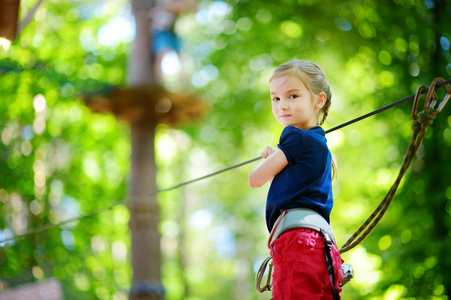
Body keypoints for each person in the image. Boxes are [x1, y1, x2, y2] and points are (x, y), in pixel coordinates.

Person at [249, 60, 344, 299]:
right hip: (323, 248)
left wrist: (270, 160)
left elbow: (255, 179)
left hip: (298, 243)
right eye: (276, 98)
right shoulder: (321, 146)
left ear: (318, 100)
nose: (282, 106)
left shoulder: (293, 136)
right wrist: (279, 157)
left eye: (292, 96)